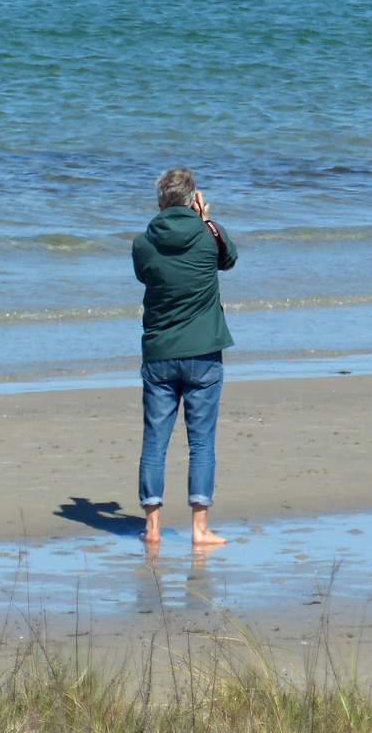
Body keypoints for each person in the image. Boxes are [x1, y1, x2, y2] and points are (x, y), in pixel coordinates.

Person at [132, 166, 238, 546]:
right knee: (202, 442)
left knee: (155, 440)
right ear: (193, 199)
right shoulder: (209, 234)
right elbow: (229, 259)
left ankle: (153, 527)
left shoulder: (144, 242)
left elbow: (146, 275)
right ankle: (199, 528)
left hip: (160, 353)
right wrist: (204, 218)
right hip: (203, 354)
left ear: (160, 202)